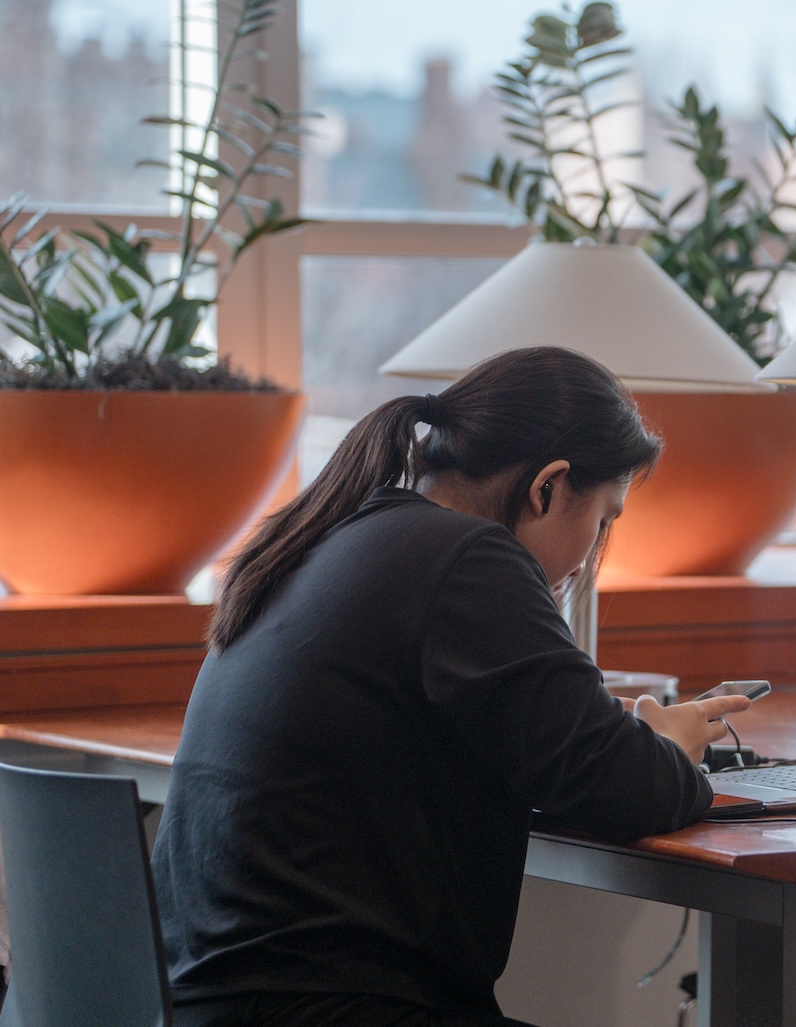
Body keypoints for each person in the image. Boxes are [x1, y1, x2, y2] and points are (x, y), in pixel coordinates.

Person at [151, 347, 745, 1027]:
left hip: (210, 1000)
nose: (588, 558)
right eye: (604, 518)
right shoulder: (470, 557)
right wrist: (670, 745)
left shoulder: (330, 535)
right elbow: (626, 786)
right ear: (548, 487)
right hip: (322, 1007)